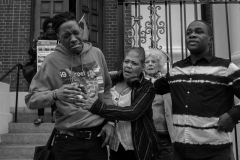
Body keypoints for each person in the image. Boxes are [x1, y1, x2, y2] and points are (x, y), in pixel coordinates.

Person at [25, 11, 113, 160]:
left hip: (98, 140)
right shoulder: (51, 61)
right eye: (66, 36)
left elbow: (106, 91)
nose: (73, 39)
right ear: (59, 37)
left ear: (81, 30)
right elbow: (31, 100)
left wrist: (111, 121)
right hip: (67, 143)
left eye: (75, 33)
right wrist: (55, 94)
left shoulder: (97, 54)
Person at [154, 20, 240, 160]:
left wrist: (233, 115)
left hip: (215, 152)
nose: (192, 35)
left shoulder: (225, 68)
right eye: (189, 33)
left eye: (199, 32)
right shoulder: (176, 69)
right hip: (180, 152)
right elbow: (152, 88)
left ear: (210, 40)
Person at [76, 47, 162, 160]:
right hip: (115, 148)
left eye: (134, 63)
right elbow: (92, 94)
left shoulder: (147, 87)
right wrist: (109, 122)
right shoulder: (111, 81)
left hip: (140, 148)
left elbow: (132, 112)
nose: (128, 66)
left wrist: (98, 107)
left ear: (142, 67)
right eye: (126, 61)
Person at [23, 17, 58, 124]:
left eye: (52, 27)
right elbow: (31, 54)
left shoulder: (59, 40)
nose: (50, 29)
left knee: (54, 92)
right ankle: (40, 117)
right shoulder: (40, 39)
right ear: (45, 28)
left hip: (55, 70)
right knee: (40, 92)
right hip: (41, 69)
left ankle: (53, 116)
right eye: (48, 27)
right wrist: (35, 46)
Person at [144, 48, 175, 160]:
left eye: (153, 62)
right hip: (146, 135)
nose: (150, 64)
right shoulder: (138, 83)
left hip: (165, 135)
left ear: (160, 64)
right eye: (147, 62)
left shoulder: (165, 82)